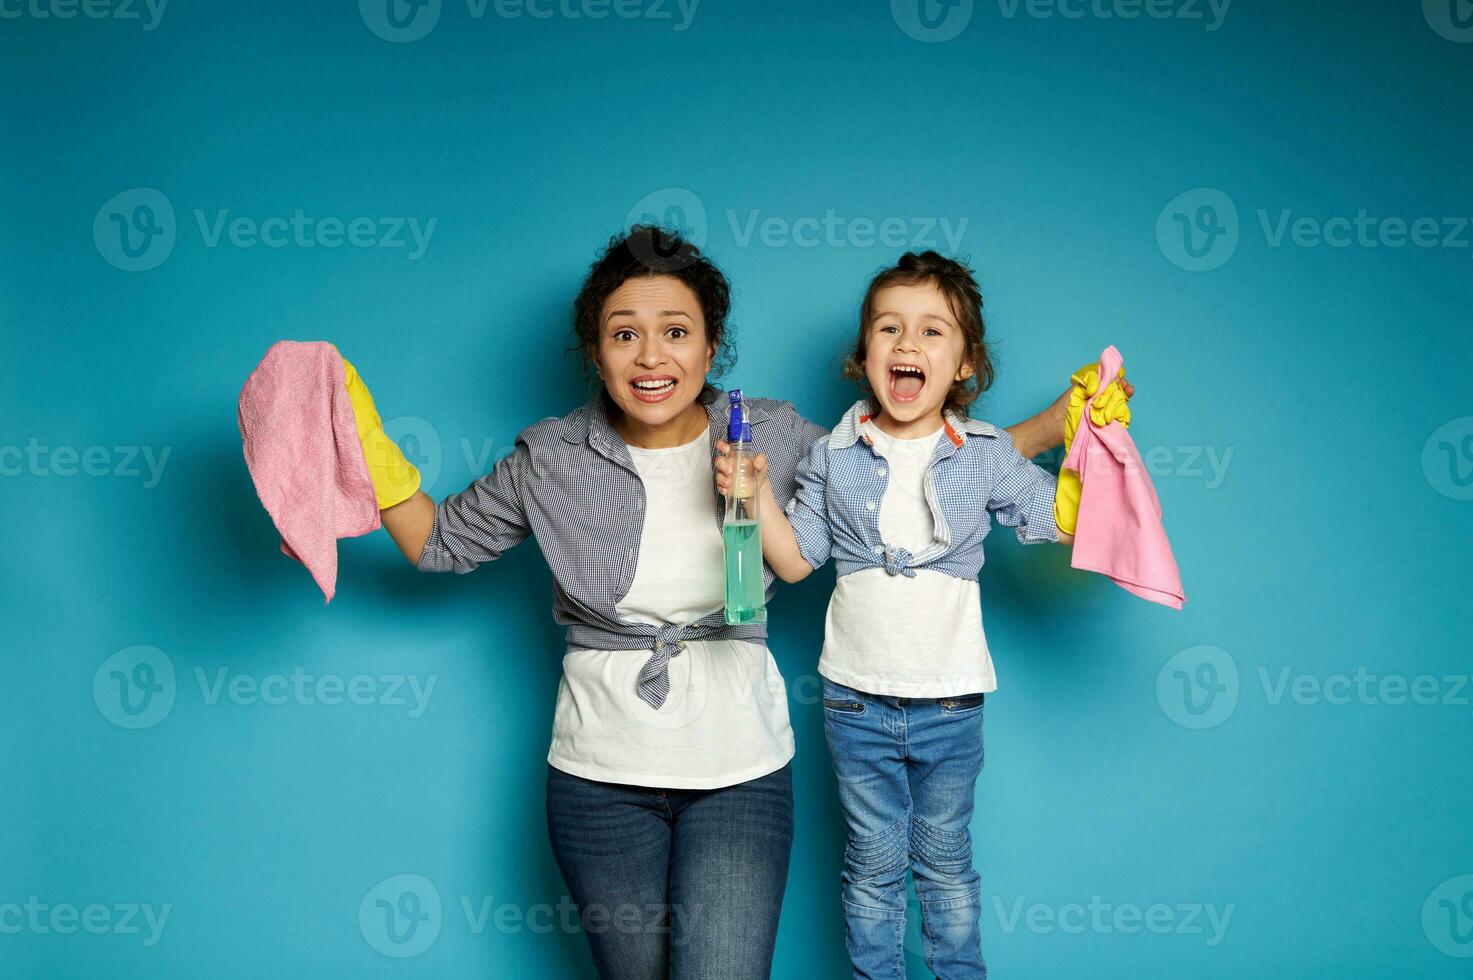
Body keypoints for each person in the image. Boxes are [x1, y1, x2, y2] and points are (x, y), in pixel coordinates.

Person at [342, 229, 1081, 978]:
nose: (651, 356)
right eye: (623, 335)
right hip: (596, 779)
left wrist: (1049, 428)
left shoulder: (776, 434)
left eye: (675, 333)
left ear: (710, 346)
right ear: (594, 353)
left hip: (741, 773)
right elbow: (437, 542)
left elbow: (905, 462)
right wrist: (360, 444)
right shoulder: (551, 457)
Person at [713, 251, 1131, 978]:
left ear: (965, 363)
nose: (907, 345)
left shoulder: (988, 455)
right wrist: (752, 492)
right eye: (888, 329)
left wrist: (1096, 439)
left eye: (932, 332)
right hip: (854, 702)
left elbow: (1062, 521)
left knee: (945, 868)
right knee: (872, 869)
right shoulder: (833, 457)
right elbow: (792, 560)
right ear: (862, 355)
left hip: (950, 703)